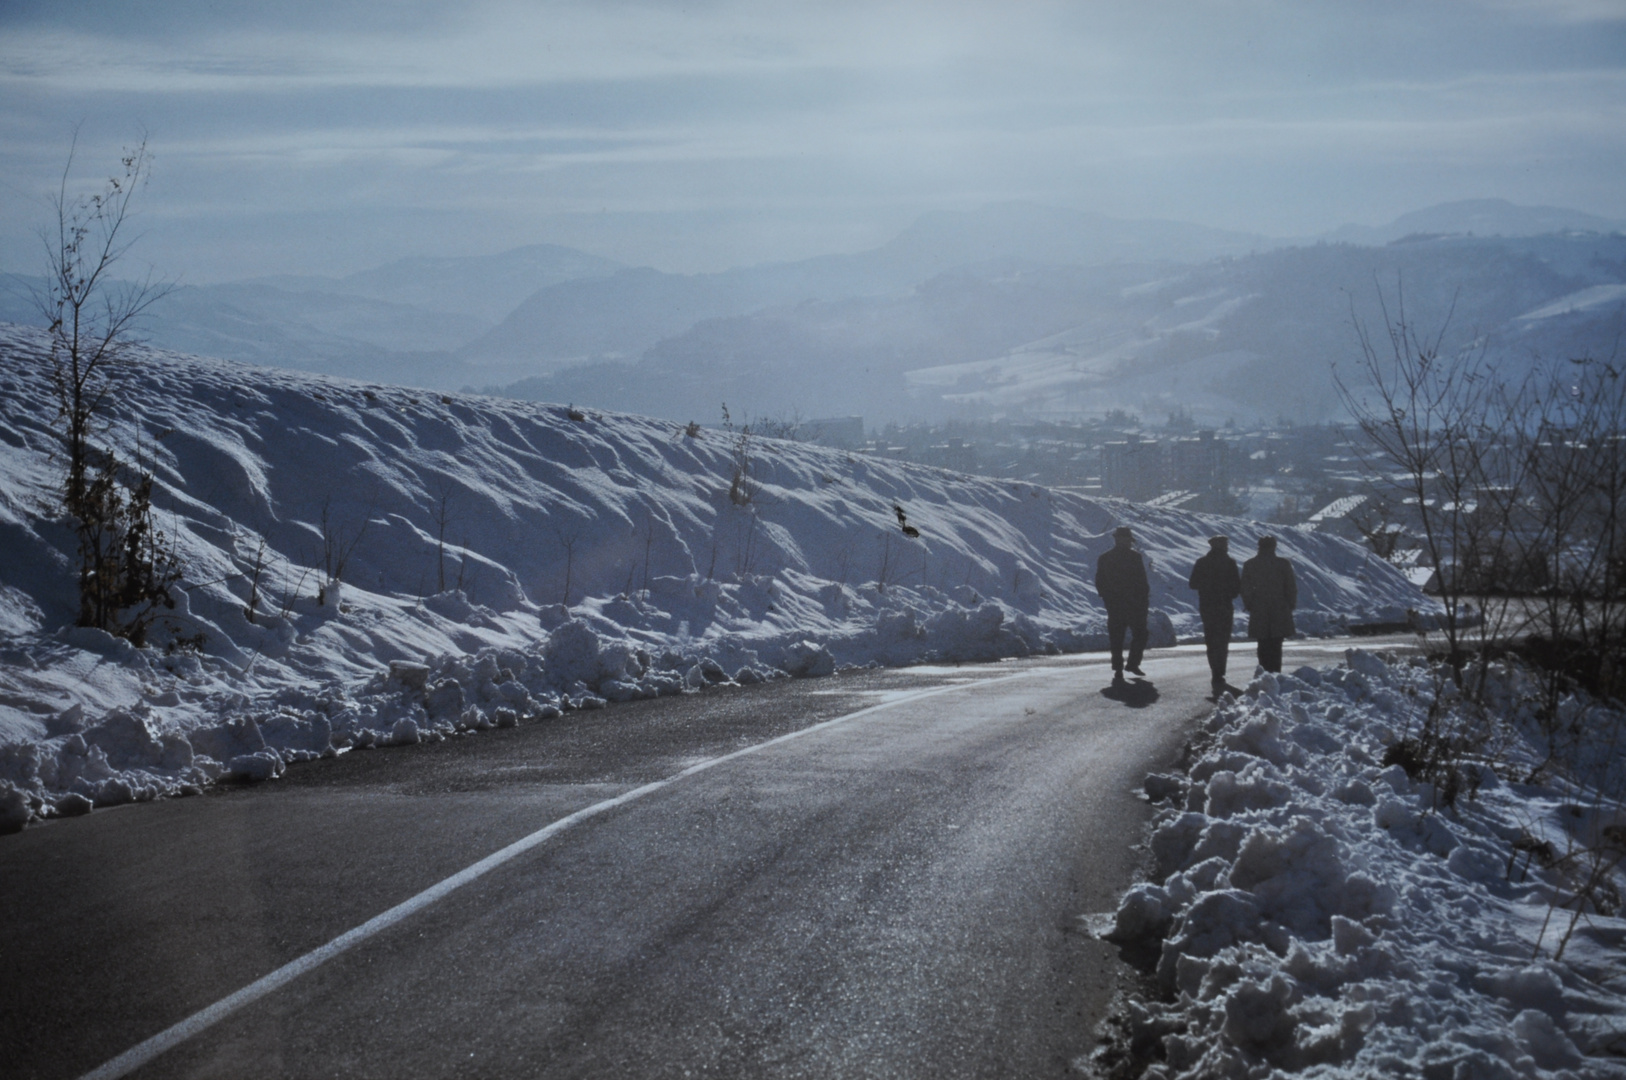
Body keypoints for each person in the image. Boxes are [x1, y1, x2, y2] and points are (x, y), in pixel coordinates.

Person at [1095, 525, 1150, 684]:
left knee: (1117, 637)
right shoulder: (1134, 557)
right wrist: (1143, 600)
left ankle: (1120, 667)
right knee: (1139, 634)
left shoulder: (1105, 557)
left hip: (1118, 604)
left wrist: (1107, 598)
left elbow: (1100, 582)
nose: (1127, 542)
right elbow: (1141, 582)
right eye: (1126, 539)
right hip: (1132, 605)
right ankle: (1131, 664)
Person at [1188, 535, 1241, 691]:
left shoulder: (1202, 562)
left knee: (1211, 639)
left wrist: (1207, 587)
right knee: (1223, 640)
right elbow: (1236, 587)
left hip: (1207, 606)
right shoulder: (1230, 563)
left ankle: (1215, 671)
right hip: (1224, 606)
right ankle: (1220, 671)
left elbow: (1193, 583)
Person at [1240, 535, 1297, 674]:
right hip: (1279, 607)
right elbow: (1291, 587)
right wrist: (1290, 604)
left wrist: (1250, 604)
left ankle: (1264, 672)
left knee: (1262, 643)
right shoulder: (1283, 564)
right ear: (1274, 546)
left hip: (1259, 608)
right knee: (1277, 644)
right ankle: (1275, 673)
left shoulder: (1250, 564)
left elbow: (1245, 588)